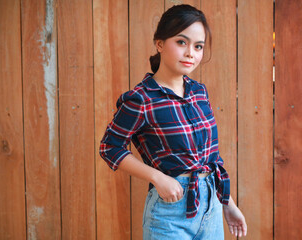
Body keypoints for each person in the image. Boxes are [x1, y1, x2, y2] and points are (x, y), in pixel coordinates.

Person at [100, 4, 247, 239]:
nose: (191, 53)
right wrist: (157, 177)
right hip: (170, 214)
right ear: (159, 44)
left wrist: (227, 203)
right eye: (181, 42)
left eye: (198, 46)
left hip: (211, 208)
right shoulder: (141, 98)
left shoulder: (199, 92)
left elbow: (210, 158)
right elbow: (109, 147)